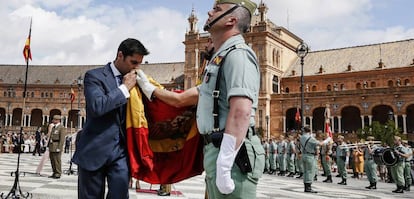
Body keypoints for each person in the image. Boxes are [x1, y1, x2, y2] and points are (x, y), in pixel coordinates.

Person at [136, 0, 264, 198]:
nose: (210, 12)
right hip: (217, 149)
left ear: (231, 19)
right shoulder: (220, 58)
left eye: (217, 9)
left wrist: (225, 161)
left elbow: (241, 111)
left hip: (233, 153)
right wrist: (148, 87)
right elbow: (182, 100)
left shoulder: (238, 55)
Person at [72, 38, 148, 198]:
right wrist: (124, 88)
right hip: (94, 149)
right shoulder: (94, 76)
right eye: (133, 62)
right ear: (120, 55)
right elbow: (97, 106)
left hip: (121, 152)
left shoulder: (137, 80)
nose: (137, 68)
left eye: (139, 63)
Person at [299, 126, 331, 193]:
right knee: (310, 171)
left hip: (304, 155)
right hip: (310, 156)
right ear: (309, 131)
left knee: (305, 171)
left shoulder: (301, 137)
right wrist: (327, 140)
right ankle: (308, 187)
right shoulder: (310, 138)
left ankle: (306, 186)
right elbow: (320, 144)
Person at [48, 115, 66, 179]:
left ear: (58, 120)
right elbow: (51, 136)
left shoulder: (61, 128)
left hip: (57, 145)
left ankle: (58, 173)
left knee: (57, 160)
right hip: (52, 145)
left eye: (54, 119)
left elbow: (62, 139)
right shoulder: (54, 127)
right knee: (52, 160)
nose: (53, 120)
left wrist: (59, 147)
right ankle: (54, 172)